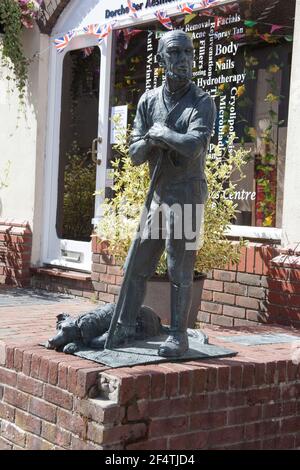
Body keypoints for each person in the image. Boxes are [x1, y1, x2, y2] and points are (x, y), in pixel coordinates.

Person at [112, 29, 216, 357]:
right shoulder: (148, 101)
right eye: (175, 53)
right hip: (158, 194)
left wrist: (165, 134)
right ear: (161, 59)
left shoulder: (202, 101)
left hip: (186, 196)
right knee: (136, 263)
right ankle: (125, 326)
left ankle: (179, 336)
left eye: (188, 53)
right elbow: (134, 153)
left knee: (179, 267)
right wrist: (150, 140)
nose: (183, 60)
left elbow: (194, 146)